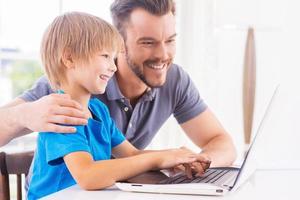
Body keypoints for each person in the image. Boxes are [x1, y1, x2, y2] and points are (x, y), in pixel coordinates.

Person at [0, 0, 236, 168]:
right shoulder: (69, 86)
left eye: (170, 40)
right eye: (147, 42)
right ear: (118, 43)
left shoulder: (174, 80)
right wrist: (24, 114)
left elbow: (222, 143)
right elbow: (88, 175)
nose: (163, 54)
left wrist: (195, 163)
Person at [27, 11, 206, 199]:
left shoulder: (98, 111)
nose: (113, 67)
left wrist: (173, 156)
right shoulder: (60, 114)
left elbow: (130, 154)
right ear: (69, 58)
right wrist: (158, 158)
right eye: (105, 56)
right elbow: (88, 175)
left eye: (113, 58)